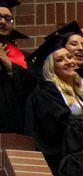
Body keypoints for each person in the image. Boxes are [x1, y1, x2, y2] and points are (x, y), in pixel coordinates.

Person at [25, 34, 83, 175]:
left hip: (82, 154)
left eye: (69, 57)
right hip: (60, 160)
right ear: (51, 67)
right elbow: (57, 125)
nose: (69, 61)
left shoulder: (81, 89)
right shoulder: (46, 92)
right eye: (60, 60)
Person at [0, 0, 34, 135]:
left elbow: (32, 90)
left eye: (7, 18)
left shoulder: (24, 58)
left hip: (16, 129)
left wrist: (8, 64)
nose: (3, 22)